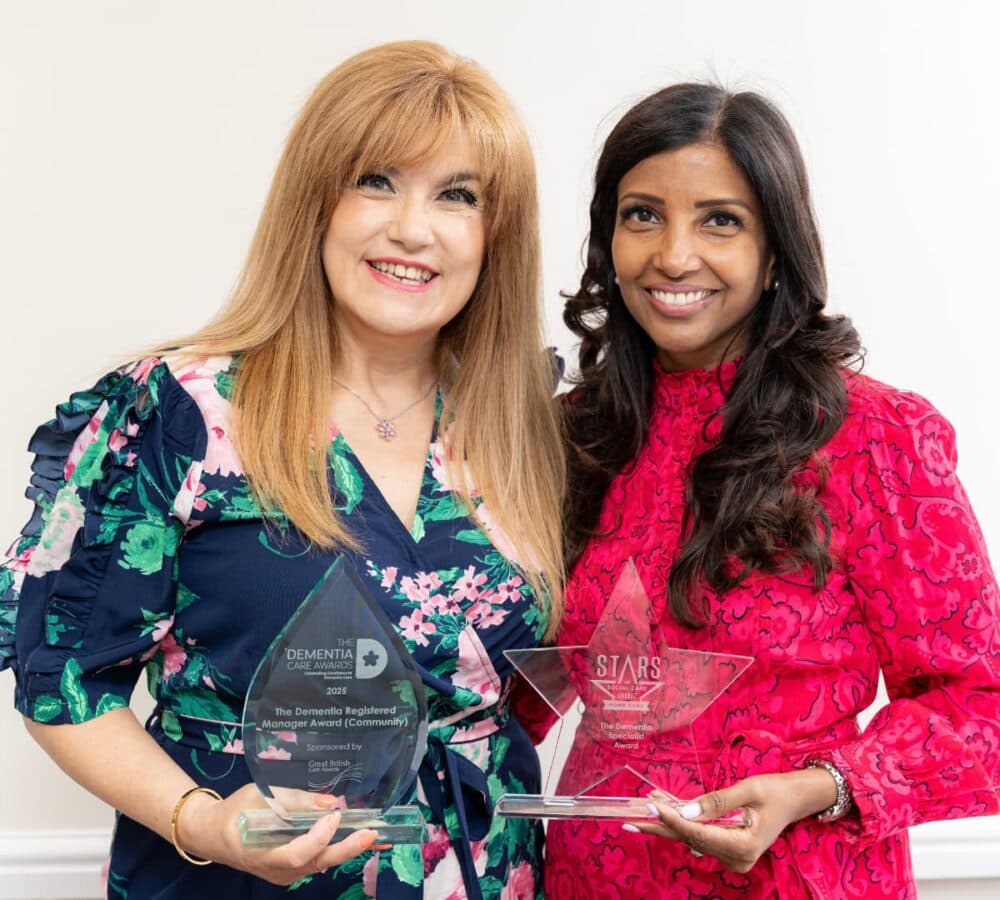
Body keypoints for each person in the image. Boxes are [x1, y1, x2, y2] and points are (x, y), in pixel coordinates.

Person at [0, 41, 564, 899]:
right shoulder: (179, 411)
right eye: (377, 179)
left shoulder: (526, 426)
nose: (413, 227)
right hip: (241, 878)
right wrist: (201, 820)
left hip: (486, 877)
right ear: (315, 202)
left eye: (458, 195)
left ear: (496, 236)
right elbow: (60, 675)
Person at [529, 83, 1000, 898]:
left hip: (800, 878)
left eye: (720, 220)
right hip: (590, 879)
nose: (674, 255)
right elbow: (520, 687)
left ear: (775, 248)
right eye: (643, 215)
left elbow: (982, 706)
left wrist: (820, 785)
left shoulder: (872, 438)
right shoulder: (573, 437)